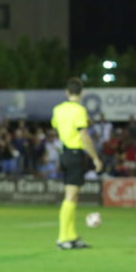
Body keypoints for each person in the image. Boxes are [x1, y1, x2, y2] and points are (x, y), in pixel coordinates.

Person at [50, 78, 103, 249]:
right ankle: (63, 238)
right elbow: (84, 136)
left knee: (73, 196)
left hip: (64, 153)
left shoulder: (58, 109)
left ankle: (71, 236)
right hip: (75, 154)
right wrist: (95, 158)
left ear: (67, 92)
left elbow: (56, 126)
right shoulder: (80, 110)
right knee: (71, 196)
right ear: (82, 93)